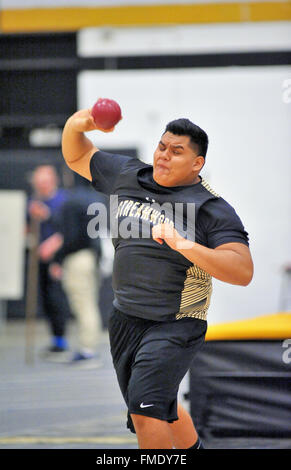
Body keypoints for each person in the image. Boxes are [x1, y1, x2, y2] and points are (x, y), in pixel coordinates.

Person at [61, 108, 254, 449]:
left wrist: (184, 245)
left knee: (146, 412)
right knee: (159, 407)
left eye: (176, 151)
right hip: (124, 318)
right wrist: (80, 123)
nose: (164, 155)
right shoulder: (127, 174)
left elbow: (241, 271)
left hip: (175, 323)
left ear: (197, 163)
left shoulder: (210, 208)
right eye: (162, 146)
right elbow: (77, 154)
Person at [41, 179, 104, 365]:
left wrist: (57, 259)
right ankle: (89, 347)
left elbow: (70, 237)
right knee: (89, 302)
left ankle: (87, 350)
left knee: (83, 304)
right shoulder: (97, 198)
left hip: (77, 258)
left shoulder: (71, 201)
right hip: (93, 256)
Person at [27, 165, 71, 359]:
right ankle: (55, 339)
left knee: (56, 298)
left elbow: (67, 230)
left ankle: (61, 340)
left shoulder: (62, 201)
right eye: (38, 183)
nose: (41, 186)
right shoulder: (34, 201)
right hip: (39, 258)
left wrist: (52, 247)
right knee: (45, 298)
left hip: (57, 257)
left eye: (43, 183)